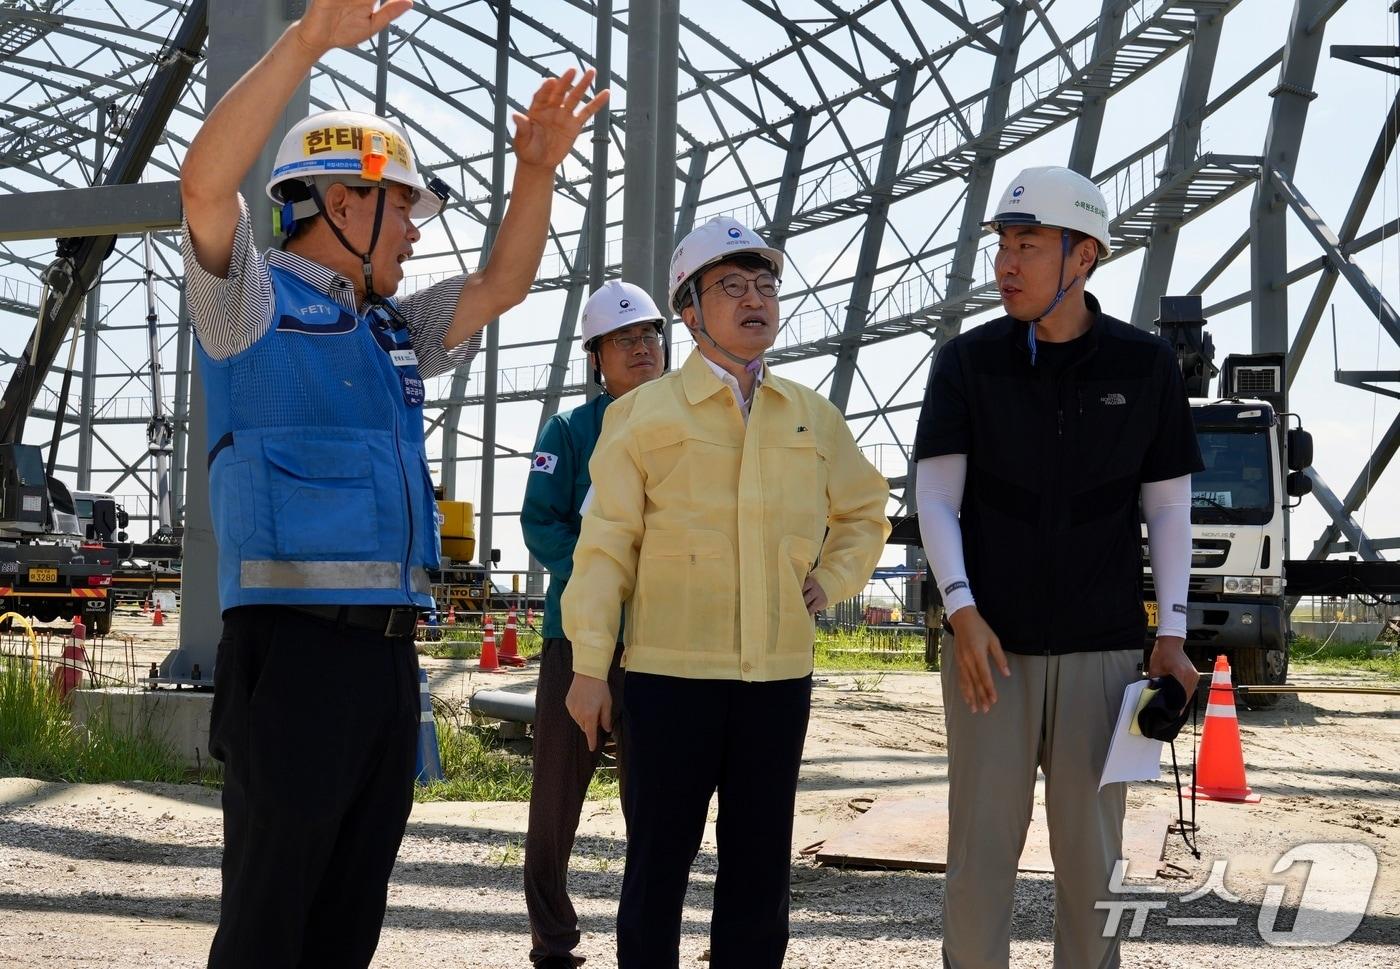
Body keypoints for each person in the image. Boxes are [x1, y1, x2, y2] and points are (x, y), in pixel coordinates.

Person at [178, 1, 606, 965]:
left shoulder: (390, 330)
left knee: (345, 925)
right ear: (340, 201)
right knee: (266, 927)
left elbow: (502, 283)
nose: (414, 230)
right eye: (401, 206)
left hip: (381, 662)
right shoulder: (249, 303)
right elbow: (205, 188)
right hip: (289, 662)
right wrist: (306, 43)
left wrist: (535, 171)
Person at [561, 216, 890, 969]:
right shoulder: (640, 415)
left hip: (776, 680)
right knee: (657, 870)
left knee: (759, 872)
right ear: (689, 307)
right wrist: (587, 667)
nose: (755, 300)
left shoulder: (809, 413)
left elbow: (866, 510)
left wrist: (833, 578)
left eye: (766, 286)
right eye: (732, 286)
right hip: (669, 678)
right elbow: (606, 544)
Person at [913, 165, 1203, 969]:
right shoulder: (966, 362)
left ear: (1084, 257)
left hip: (1104, 653)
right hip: (987, 652)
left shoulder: (1145, 367)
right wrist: (962, 610)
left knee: (1093, 866)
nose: (1006, 263)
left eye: (1029, 245)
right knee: (978, 861)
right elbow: (936, 496)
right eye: (1004, 245)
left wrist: (1171, 636)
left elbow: (1169, 508)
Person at [520, 280, 666, 967]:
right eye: (625, 340)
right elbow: (539, 521)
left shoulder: (682, 427)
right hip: (575, 636)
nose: (642, 349)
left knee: (654, 799)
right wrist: (595, 575)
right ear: (595, 358)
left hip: (659, 642)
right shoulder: (570, 433)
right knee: (556, 794)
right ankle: (552, 938)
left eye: (650, 337)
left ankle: (645, 936)